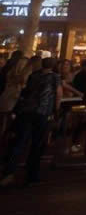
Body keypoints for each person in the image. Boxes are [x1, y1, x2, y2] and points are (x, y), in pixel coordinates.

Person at [1, 57, 61, 187]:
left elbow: (26, 91)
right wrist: (56, 110)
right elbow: (58, 94)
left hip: (26, 110)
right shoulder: (55, 77)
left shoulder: (34, 75)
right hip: (42, 112)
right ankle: (32, 175)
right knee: (37, 144)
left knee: (20, 142)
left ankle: (9, 172)